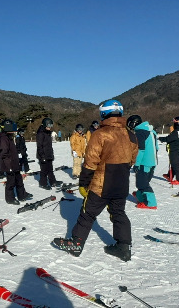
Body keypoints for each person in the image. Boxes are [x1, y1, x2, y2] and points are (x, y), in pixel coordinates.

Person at [53, 99, 138, 262]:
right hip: (121, 182)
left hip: (102, 183)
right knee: (118, 212)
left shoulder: (100, 134)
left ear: (104, 114)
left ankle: (76, 244)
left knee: (88, 213)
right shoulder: (131, 134)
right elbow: (132, 160)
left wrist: (84, 183)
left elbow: (90, 162)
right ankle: (124, 247)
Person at [127, 115, 159, 209]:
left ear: (134, 123)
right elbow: (157, 147)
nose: (130, 127)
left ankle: (151, 203)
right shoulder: (151, 131)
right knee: (143, 182)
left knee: (142, 184)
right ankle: (140, 196)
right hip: (152, 162)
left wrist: (136, 163)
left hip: (144, 162)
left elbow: (140, 150)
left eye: (130, 125)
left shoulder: (140, 132)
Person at [0, 119, 33, 205]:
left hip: (14, 163)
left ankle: (22, 195)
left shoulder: (9, 137)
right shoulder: (3, 139)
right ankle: (10, 198)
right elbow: (4, 154)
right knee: (11, 182)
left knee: (19, 180)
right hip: (9, 165)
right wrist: (9, 167)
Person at [36, 117, 62, 190]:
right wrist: (42, 156)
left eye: (51, 126)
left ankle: (53, 181)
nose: (50, 127)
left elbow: (49, 145)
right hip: (43, 155)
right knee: (44, 170)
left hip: (48, 154)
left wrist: (51, 154)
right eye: (49, 126)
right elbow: (39, 146)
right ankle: (43, 183)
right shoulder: (41, 133)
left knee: (50, 169)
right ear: (45, 125)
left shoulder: (47, 133)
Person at [159, 116, 179, 185]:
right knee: (173, 163)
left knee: (175, 164)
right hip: (174, 149)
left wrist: (160, 138)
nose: (174, 124)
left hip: (174, 149)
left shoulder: (177, 132)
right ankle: (169, 175)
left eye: (175, 122)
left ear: (178, 123)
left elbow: (169, 138)